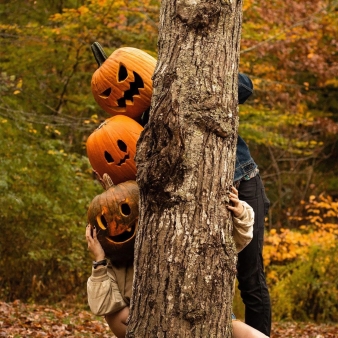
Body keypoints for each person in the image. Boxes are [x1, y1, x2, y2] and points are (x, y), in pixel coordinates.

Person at [86, 187, 268, 338]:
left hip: (203, 318)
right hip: (152, 328)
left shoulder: (174, 239)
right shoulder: (113, 267)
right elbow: (101, 306)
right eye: (106, 222)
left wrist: (241, 214)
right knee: (115, 312)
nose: (119, 225)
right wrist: (99, 260)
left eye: (126, 211)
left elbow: (232, 242)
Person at [235, 74, 272, 337]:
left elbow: (245, 87)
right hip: (201, 195)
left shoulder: (195, 80)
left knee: (250, 278)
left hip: (244, 182)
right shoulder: (145, 111)